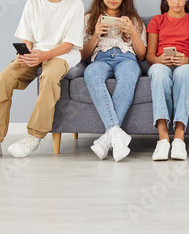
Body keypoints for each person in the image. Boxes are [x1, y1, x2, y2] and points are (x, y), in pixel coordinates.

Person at [0, 0, 84, 160]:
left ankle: (34, 136)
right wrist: (26, 52)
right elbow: (27, 38)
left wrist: (44, 56)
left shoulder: (75, 4)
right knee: (5, 77)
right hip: (36, 53)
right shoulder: (33, 3)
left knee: (49, 77)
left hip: (62, 55)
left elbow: (69, 45)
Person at [82, 0, 147, 162]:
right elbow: (83, 55)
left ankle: (107, 138)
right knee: (91, 72)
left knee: (129, 74)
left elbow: (142, 55)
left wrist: (132, 32)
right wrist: (96, 34)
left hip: (127, 58)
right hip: (100, 58)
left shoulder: (134, 20)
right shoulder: (89, 19)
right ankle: (115, 133)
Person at [146, 0, 189, 161]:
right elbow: (149, 54)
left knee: (183, 74)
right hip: (161, 64)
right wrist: (159, 59)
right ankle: (163, 139)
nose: (176, 2)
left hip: (186, 65)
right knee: (158, 73)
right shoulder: (157, 21)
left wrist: (187, 60)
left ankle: (179, 137)